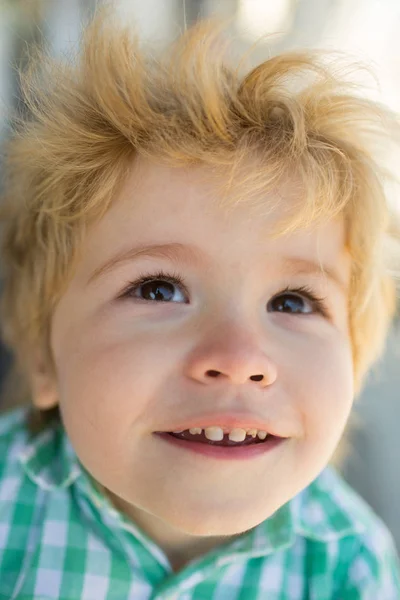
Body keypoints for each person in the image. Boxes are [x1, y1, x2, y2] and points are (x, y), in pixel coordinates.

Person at [0, 10, 399, 599]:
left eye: (293, 301)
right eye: (158, 289)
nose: (238, 356)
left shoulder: (350, 565)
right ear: (41, 358)